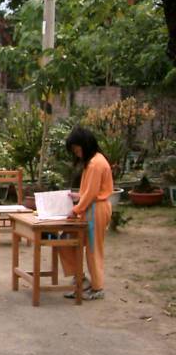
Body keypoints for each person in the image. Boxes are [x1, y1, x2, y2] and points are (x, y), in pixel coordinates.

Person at [61, 127, 113, 300]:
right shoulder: (93, 162)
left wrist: (76, 209)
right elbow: (90, 191)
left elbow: (92, 194)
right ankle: (80, 281)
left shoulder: (96, 163)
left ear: (85, 145)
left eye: (77, 150)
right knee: (66, 241)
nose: (77, 154)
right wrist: (79, 196)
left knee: (93, 249)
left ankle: (97, 287)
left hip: (95, 209)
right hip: (90, 207)